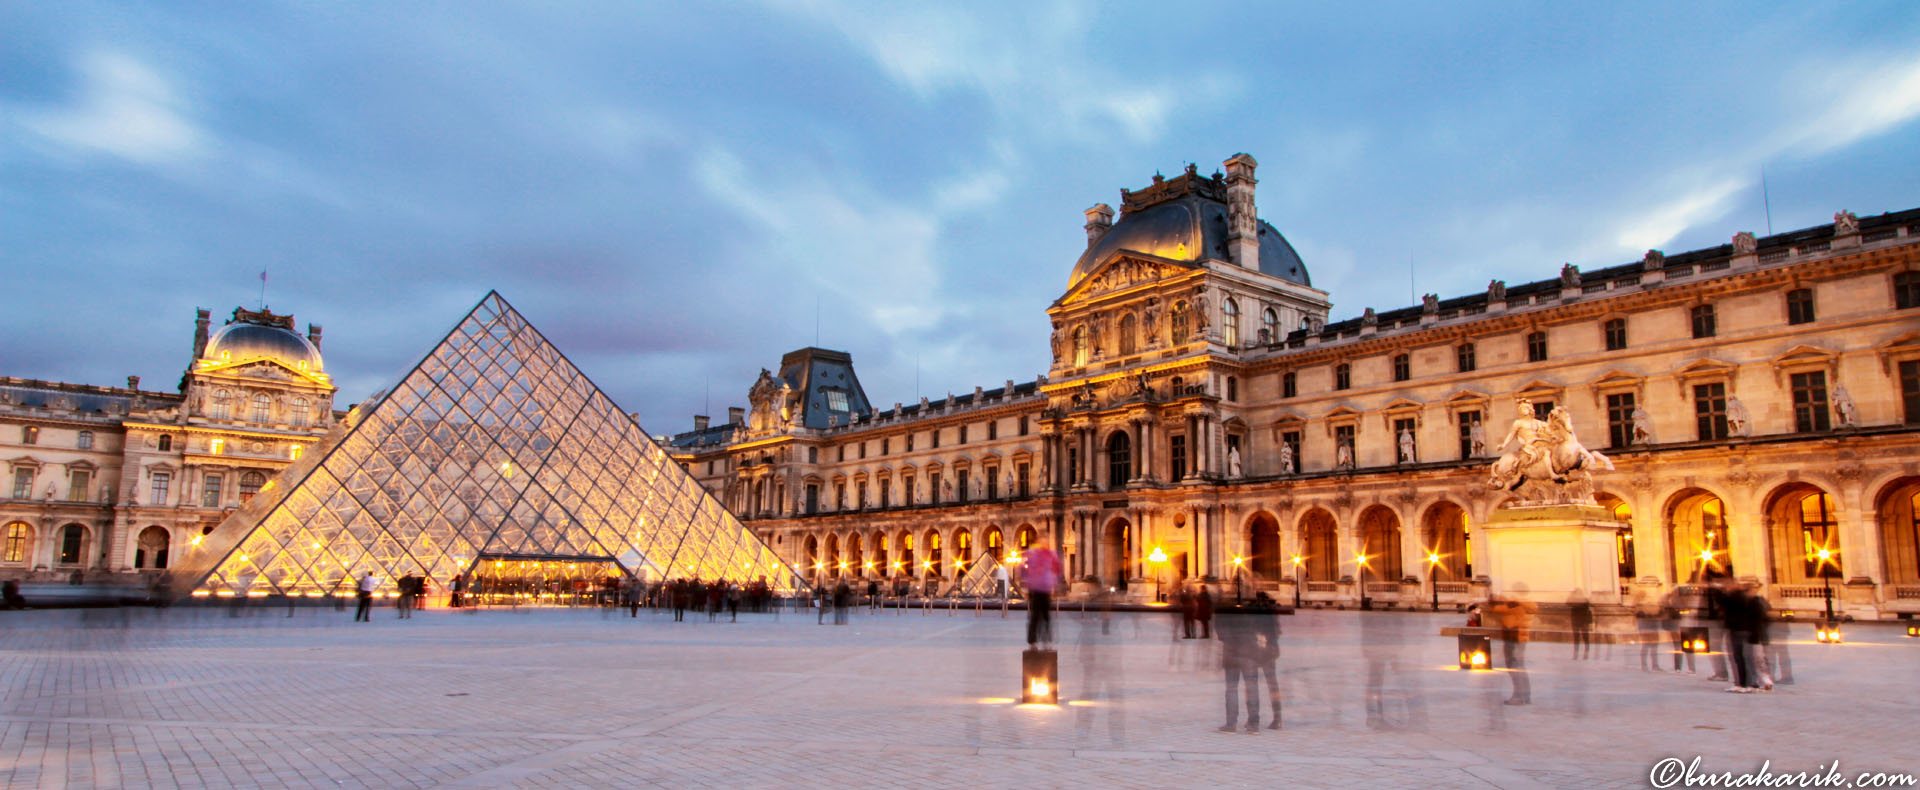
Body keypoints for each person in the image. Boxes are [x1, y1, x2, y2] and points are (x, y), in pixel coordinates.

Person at [1489, 591, 1536, 705]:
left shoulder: (1513, 607)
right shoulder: (1520, 606)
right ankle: (1525, 696)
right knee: (1520, 668)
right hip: (1519, 640)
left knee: (1514, 669)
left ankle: (1519, 696)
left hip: (1514, 640)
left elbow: (1497, 609)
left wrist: (1493, 600)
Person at [1022, 537, 1062, 648]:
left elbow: (1057, 568)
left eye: (1046, 542)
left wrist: (1054, 582)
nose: (1045, 544)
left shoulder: (1049, 554)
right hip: (1036, 588)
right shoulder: (1034, 554)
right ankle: (1035, 641)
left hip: (1044, 588)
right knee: (1037, 616)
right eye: (1043, 542)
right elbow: (1024, 567)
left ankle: (1045, 640)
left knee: (1045, 616)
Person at [1568, 592, 1593, 660]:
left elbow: (1587, 605)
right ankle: (1578, 653)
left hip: (1581, 621)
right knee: (1578, 637)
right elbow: (1567, 603)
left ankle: (1584, 652)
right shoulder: (1575, 600)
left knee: (1584, 637)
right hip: (1578, 621)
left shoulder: (1584, 600)